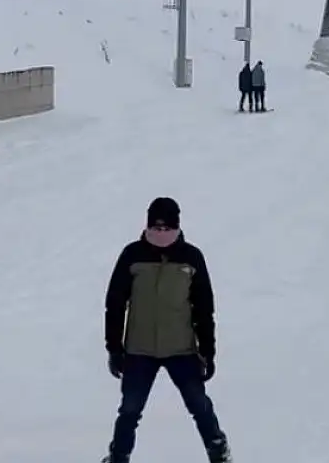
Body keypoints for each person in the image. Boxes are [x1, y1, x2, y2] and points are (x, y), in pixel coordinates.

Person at [102, 197, 232, 463]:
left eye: (167, 228)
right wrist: (114, 348)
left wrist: (208, 352)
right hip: (139, 350)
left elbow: (203, 309)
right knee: (130, 410)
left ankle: (218, 451)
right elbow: (115, 304)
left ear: (177, 227)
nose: (161, 233)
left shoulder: (191, 258)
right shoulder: (132, 255)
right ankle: (118, 457)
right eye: (156, 227)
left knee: (198, 404)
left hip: (181, 349)